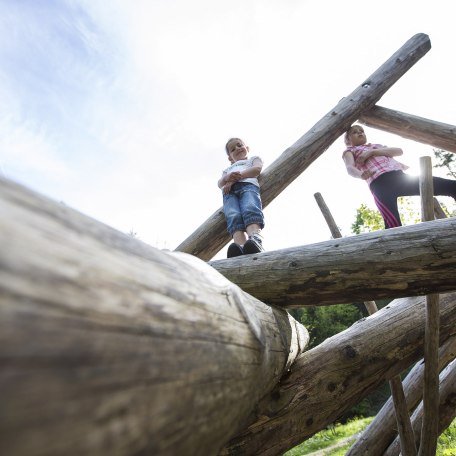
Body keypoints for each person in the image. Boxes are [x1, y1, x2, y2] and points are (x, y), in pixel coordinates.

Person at [342, 125, 456, 229]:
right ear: (348, 140)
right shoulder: (350, 151)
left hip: (400, 179)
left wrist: (372, 152)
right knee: (393, 224)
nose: (360, 133)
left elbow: (399, 151)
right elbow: (349, 168)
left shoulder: (376, 147)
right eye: (355, 132)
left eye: (362, 131)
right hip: (380, 185)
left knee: (451, 186)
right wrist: (360, 174)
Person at [218, 138, 265, 257]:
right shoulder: (227, 170)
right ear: (230, 158)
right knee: (233, 216)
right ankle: (240, 246)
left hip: (247, 187)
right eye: (233, 149)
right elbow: (220, 184)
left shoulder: (252, 160)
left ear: (247, 148)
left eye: (239, 145)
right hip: (229, 194)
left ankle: (255, 240)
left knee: (250, 209)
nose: (237, 149)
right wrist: (227, 178)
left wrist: (235, 179)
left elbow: (256, 169)